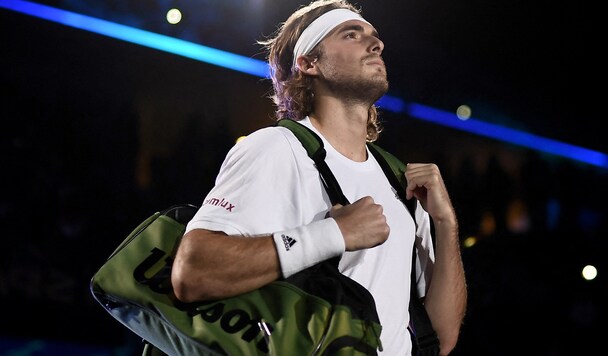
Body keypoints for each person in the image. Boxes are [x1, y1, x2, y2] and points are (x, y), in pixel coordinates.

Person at [171, 0, 467, 354]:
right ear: (309, 63)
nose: (377, 44)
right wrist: (333, 234)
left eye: (375, 36)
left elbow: (441, 338)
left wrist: (446, 223)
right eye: (351, 34)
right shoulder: (276, 148)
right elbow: (193, 272)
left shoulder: (399, 180)